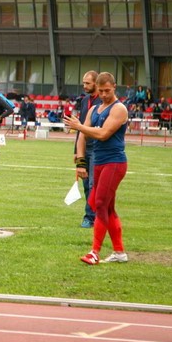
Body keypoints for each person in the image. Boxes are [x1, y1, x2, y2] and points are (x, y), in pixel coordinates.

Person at [63, 72, 129, 265]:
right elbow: (82, 137)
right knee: (107, 207)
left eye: (107, 90)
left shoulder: (119, 109)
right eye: (101, 91)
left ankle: (94, 252)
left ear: (114, 87)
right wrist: (81, 162)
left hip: (114, 162)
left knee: (99, 203)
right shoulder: (94, 109)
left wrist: (79, 127)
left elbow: (103, 134)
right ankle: (119, 252)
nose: (104, 95)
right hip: (98, 162)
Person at [73, 70, 100, 229]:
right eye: (83, 83)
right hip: (84, 148)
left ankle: (89, 217)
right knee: (85, 183)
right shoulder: (84, 101)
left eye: (87, 83)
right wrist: (76, 151)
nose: (84, 86)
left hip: (98, 148)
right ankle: (94, 215)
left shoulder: (103, 102)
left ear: (96, 83)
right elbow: (80, 128)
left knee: (92, 184)